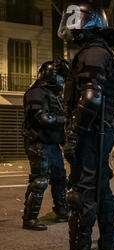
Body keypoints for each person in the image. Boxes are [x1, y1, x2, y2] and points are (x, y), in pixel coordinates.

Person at [46, 1, 114, 250]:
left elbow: (90, 98)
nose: (71, 26)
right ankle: (107, 248)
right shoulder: (102, 53)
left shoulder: (92, 53)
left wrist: (74, 135)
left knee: (81, 194)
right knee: (101, 192)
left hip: (91, 134)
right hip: (99, 132)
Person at [22, 60, 70, 231]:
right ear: (51, 76)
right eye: (60, 77)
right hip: (38, 143)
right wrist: (67, 120)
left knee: (59, 179)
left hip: (52, 143)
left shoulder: (53, 95)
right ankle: (29, 219)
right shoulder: (36, 93)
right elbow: (45, 119)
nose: (62, 81)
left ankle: (62, 211)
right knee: (39, 180)